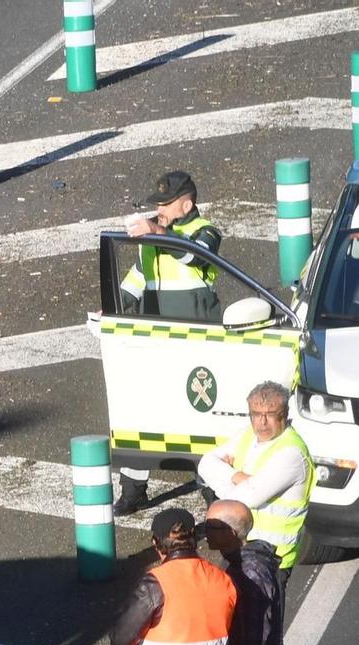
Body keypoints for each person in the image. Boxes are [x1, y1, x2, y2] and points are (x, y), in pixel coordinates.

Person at [115, 170, 225, 517]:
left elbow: (195, 255)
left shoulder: (204, 232)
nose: (158, 209)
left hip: (197, 345)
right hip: (155, 344)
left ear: (187, 204)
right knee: (142, 414)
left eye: (165, 204)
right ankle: (133, 490)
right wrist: (112, 308)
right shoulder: (154, 239)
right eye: (157, 205)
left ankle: (213, 492)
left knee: (201, 419)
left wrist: (157, 231)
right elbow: (134, 283)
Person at [196, 381, 313, 592]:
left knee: (262, 623)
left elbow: (246, 498)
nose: (262, 422)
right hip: (241, 548)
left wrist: (225, 481)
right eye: (256, 414)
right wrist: (238, 476)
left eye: (270, 413)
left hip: (272, 558)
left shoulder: (292, 453)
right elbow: (205, 464)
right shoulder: (248, 436)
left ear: (284, 414)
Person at [109, 507, 237, 645]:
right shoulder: (222, 579)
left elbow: (120, 639)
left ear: (156, 543)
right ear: (194, 539)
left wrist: (141, 643)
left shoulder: (155, 582)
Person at [204, 499, 285, 645]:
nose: (204, 532)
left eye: (210, 527)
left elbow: (256, 632)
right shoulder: (237, 562)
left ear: (230, 533)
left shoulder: (250, 572)